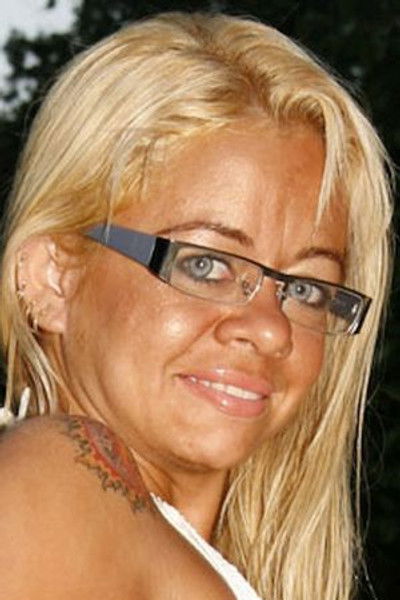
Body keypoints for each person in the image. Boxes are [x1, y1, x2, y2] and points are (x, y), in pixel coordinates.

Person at [0, 11, 393, 600]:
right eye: (205, 264)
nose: (271, 330)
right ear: (52, 280)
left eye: (305, 289)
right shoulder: (57, 476)